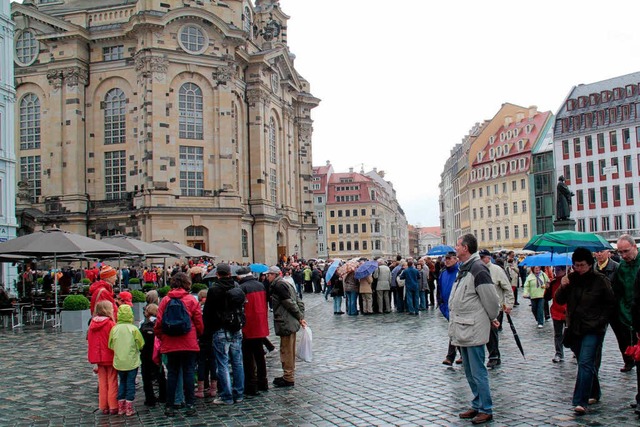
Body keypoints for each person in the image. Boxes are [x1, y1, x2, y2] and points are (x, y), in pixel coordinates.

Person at [555, 247, 615, 415]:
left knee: (585, 362)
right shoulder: (571, 279)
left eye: (582, 265)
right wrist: (562, 286)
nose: (579, 268)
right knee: (584, 361)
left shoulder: (600, 280)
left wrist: (600, 322)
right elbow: (559, 300)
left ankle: (581, 401)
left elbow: (610, 304)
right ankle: (594, 392)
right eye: (576, 265)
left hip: (593, 328)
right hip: (575, 328)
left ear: (590, 264)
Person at [449, 234, 500, 425]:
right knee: (470, 372)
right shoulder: (466, 268)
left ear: (466, 248)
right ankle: (477, 403)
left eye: (458, 245)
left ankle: (486, 408)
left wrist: (493, 317)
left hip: (473, 327)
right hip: (464, 326)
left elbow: (491, 299)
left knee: (478, 371)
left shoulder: (478, 269)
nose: (455, 248)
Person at [154, 272, 204, 417]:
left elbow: (158, 323)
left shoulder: (164, 300)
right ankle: (190, 404)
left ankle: (170, 406)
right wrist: (197, 335)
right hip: (188, 341)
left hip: (170, 342)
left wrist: (162, 337)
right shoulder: (191, 300)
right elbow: (199, 323)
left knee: (173, 374)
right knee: (188, 373)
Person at [202, 263, 245, 405]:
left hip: (220, 328)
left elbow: (208, 312)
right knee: (237, 362)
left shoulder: (214, 289)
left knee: (223, 363)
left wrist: (207, 331)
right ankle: (238, 393)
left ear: (217, 274)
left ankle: (226, 395)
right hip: (236, 327)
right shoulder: (236, 286)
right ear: (229, 273)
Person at [266, 266, 307, 387]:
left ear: (275, 275)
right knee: (288, 349)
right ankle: (288, 375)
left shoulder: (278, 286)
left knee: (286, 350)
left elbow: (290, 303)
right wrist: (300, 316)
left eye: (269, 274)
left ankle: (288, 376)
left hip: (286, 322)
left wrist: (300, 317)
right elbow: (298, 300)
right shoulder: (285, 283)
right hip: (289, 321)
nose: (267, 277)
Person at [237, 266, 270, 395]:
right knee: (260, 356)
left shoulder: (242, 288)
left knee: (248, 358)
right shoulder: (261, 285)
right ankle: (263, 382)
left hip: (248, 326)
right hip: (261, 324)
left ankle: (251, 385)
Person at [479, 249, 514, 368]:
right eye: (480, 257)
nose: (481, 260)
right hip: (481, 307)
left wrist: (509, 304)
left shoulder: (497, 270)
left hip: (496, 306)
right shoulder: (478, 270)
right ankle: (491, 355)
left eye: (483, 257)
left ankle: (494, 356)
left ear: (488, 258)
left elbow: (507, 288)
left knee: (492, 332)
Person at [108, 304, 144, 417]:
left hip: (119, 361)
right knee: (130, 383)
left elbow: (110, 344)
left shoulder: (114, 328)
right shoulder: (133, 329)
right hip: (132, 361)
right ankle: (129, 408)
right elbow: (141, 343)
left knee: (122, 383)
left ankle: (121, 407)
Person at [611, 234, 639, 373]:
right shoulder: (622, 267)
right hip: (625, 314)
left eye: (626, 251)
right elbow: (618, 290)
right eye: (620, 252)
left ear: (634, 247)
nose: (623, 255)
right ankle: (629, 361)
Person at [87, 301, 117, 415]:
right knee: (112, 380)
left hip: (98, 358)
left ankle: (103, 406)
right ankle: (113, 405)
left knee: (102, 382)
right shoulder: (110, 324)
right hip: (109, 356)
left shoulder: (92, 324)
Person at [139, 303, 167, 406]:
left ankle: (149, 398)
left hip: (145, 354)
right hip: (157, 353)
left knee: (146, 377)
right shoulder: (159, 323)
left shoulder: (143, 325)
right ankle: (164, 396)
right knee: (160, 375)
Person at [438, 251, 461, 365]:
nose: (446, 260)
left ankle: (450, 357)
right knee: (455, 332)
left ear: (455, 259)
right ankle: (461, 354)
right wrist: (441, 305)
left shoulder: (460, 272)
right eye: (445, 258)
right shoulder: (443, 273)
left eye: (449, 258)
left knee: (454, 332)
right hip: (446, 307)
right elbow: (440, 289)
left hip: (458, 307)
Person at [549, 266, 567, 363]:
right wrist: (547, 288)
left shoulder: (570, 281)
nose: (556, 272)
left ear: (564, 270)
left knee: (571, 333)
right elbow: (547, 297)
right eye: (555, 270)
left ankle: (575, 351)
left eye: (558, 270)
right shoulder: (553, 282)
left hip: (568, 312)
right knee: (558, 334)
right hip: (556, 312)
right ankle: (559, 353)